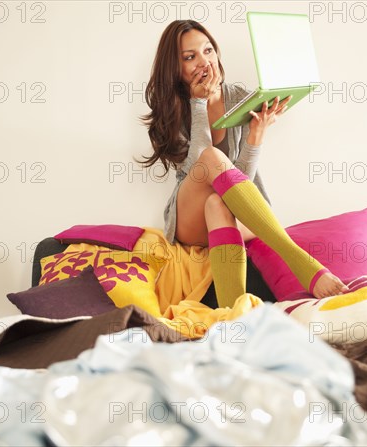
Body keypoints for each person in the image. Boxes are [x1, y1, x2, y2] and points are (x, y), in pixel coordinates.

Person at [140, 20, 348, 307]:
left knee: (218, 203)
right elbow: (196, 167)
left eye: (208, 50)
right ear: (175, 68)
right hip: (189, 217)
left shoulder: (238, 97)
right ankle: (301, 262)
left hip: (235, 214)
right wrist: (198, 103)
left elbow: (239, 184)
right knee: (210, 159)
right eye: (190, 57)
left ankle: (232, 314)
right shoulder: (172, 108)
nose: (204, 61)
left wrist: (255, 137)